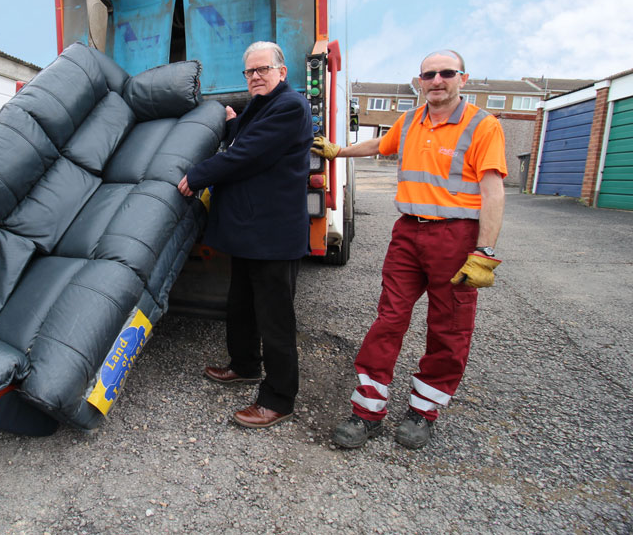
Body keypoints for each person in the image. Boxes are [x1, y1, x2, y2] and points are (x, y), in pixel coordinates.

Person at [315, 49, 506, 450]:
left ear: (463, 78)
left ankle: (424, 411)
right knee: (389, 320)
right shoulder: (412, 120)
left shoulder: (482, 126)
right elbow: (380, 145)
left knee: (448, 328)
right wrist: (337, 151)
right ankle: (368, 410)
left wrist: (484, 251)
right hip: (407, 232)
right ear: (420, 81)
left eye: (446, 73)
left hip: (455, 239)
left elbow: (492, 192)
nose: (437, 80)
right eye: (428, 74)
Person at [178, 41, 313, 429]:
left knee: (275, 320)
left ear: (282, 72)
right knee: (240, 305)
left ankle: (279, 399)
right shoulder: (263, 106)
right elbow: (244, 133)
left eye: (263, 70)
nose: (255, 76)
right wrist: (230, 119)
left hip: (273, 235)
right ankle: (244, 366)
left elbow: (248, 152)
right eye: (250, 72)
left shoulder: (291, 106)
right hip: (250, 233)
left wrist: (198, 175)